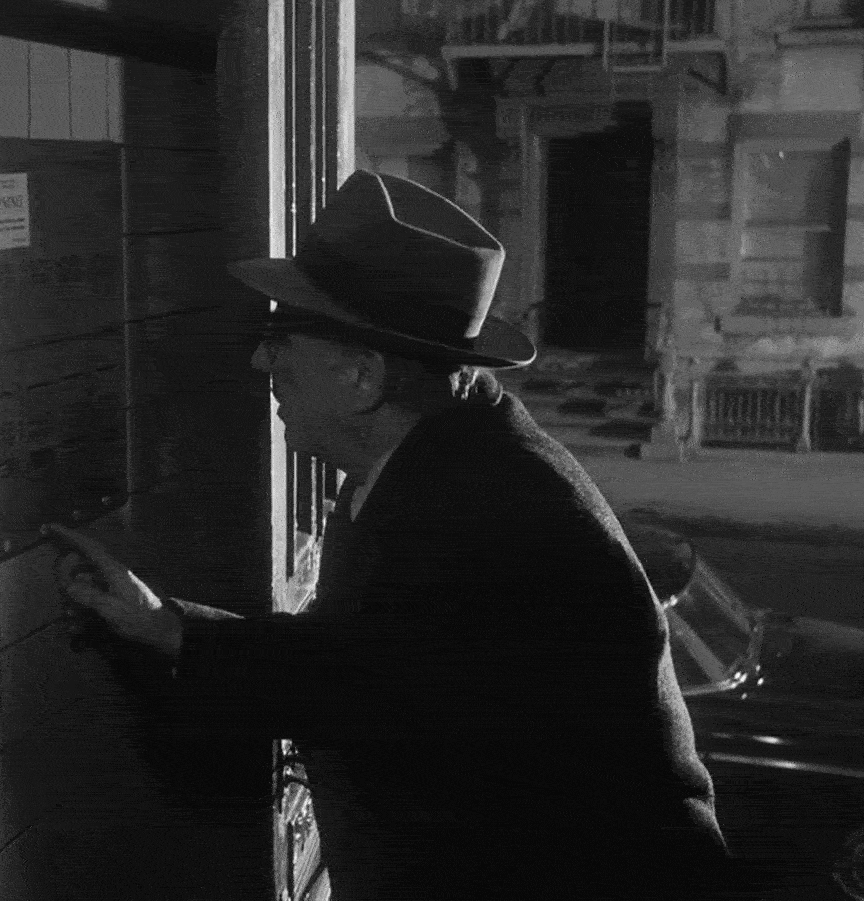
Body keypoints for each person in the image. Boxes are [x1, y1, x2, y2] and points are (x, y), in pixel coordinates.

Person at [44, 170, 745, 900]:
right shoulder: (436, 463)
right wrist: (160, 625)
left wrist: (167, 628)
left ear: (363, 376)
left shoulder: (492, 514)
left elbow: (358, 679)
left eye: (283, 338)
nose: (262, 361)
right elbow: (364, 667)